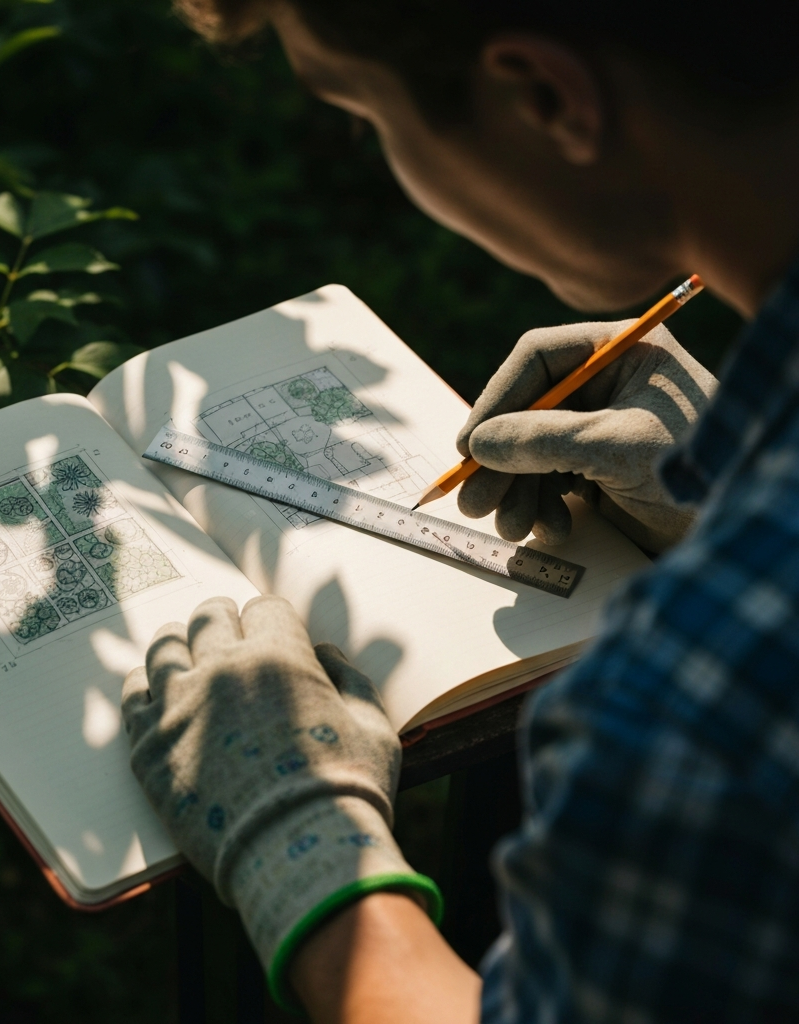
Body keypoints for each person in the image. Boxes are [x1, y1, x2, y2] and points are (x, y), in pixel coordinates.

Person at [120, 3, 799, 1020]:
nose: (381, 153)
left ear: (544, 99)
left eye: (363, 114)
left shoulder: (691, 716)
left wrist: (296, 847)